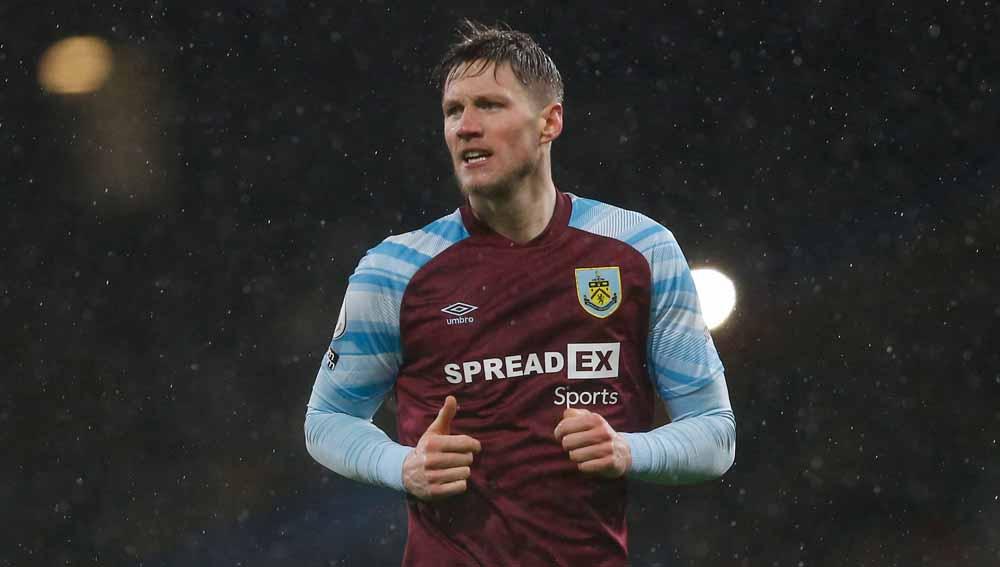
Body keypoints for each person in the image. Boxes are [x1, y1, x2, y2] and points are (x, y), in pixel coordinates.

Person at [304, 20, 736, 567]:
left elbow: (716, 436)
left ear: (549, 121)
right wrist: (402, 465)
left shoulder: (640, 251)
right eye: (453, 111)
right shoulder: (394, 270)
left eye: (489, 105)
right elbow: (326, 419)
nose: (466, 126)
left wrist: (630, 449)